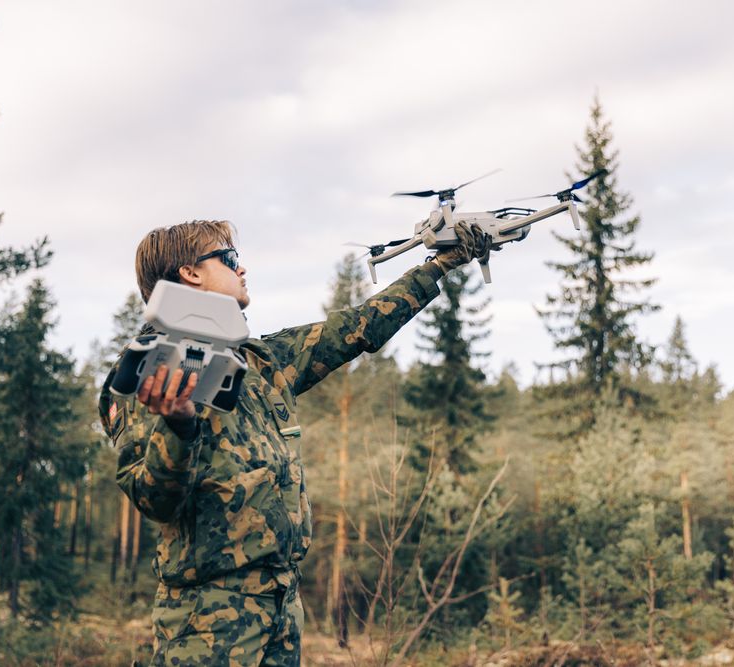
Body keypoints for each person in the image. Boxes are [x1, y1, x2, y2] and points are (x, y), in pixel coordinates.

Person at [99, 219, 491, 666]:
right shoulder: (151, 368)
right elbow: (153, 499)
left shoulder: (261, 362)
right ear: (190, 274)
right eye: (228, 259)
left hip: (283, 603)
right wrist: (179, 425)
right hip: (208, 615)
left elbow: (357, 326)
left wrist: (439, 265)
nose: (242, 269)